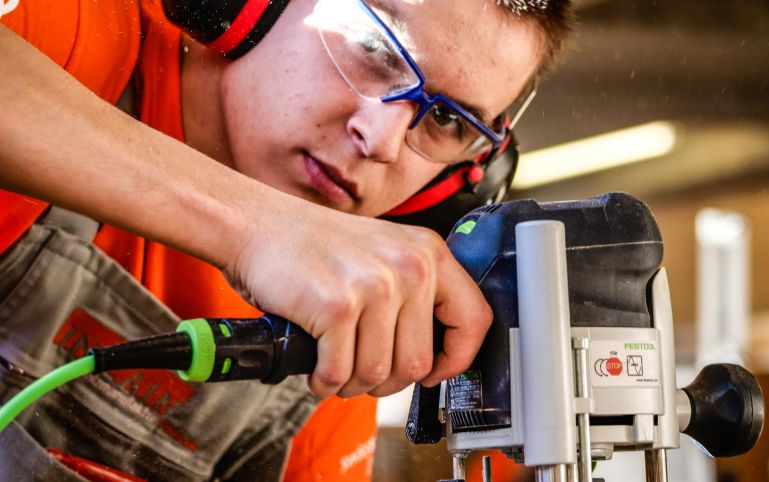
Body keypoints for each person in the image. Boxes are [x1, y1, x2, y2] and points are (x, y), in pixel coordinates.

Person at [0, 0, 574, 480]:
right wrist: (255, 227)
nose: (380, 140)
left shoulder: (339, 332)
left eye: (448, 121)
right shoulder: (79, 29)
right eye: (374, 48)